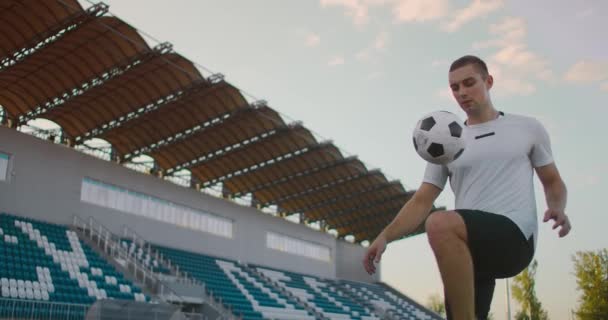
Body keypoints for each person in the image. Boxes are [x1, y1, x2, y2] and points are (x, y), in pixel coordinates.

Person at [362, 55, 571, 320]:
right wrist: (385, 236)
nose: (461, 92)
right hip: (467, 250)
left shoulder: (527, 128)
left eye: (469, 83)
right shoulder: (446, 139)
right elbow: (421, 200)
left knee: (439, 223)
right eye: (455, 87)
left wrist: (557, 207)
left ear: (489, 81)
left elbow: (552, 181)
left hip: (515, 236)